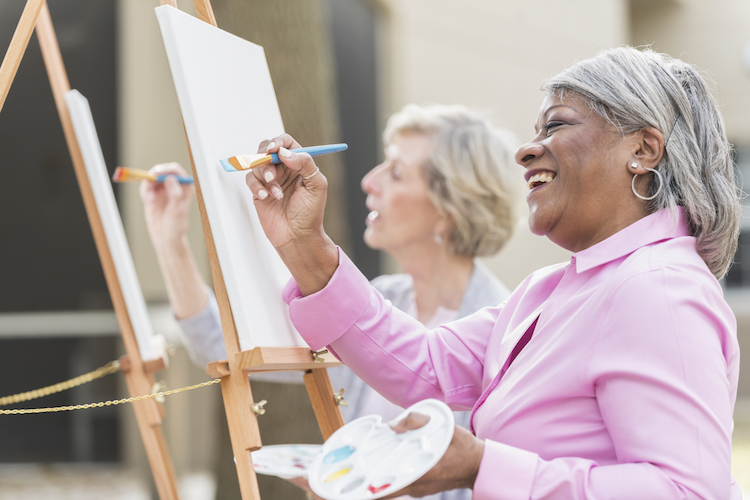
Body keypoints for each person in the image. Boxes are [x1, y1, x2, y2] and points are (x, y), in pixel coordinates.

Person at [244, 46, 743, 499]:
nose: (526, 150)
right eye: (534, 131)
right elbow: (426, 364)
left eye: (557, 125)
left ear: (643, 149)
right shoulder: (553, 290)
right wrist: (304, 244)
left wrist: (483, 467)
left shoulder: (656, 288)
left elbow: (687, 492)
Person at [140, 104, 520, 500]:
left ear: (449, 207)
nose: (369, 181)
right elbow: (222, 345)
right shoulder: (377, 303)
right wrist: (171, 242)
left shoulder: (502, 333)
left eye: (395, 172)